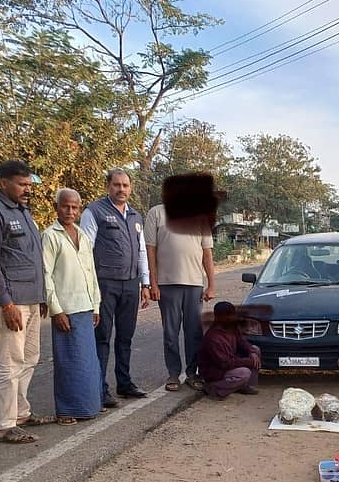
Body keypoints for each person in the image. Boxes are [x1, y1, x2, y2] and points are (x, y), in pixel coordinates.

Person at [0, 160, 54, 443]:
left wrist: (41, 296)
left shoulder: (23, 211)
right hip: (11, 302)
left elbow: (31, 257)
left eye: (29, 185)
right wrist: (6, 303)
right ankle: (5, 425)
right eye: (22, 184)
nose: (27, 190)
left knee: (30, 358)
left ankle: (21, 413)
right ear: (3, 182)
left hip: (31, 298)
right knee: (10, 362)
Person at [80, 169, 150, 408]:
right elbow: (85, 251)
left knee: (125, 337)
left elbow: (141, 251)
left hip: (130, 284)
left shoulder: (135, 216)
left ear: (130, 188)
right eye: (117, 185)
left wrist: (145, 283)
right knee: (102, 337)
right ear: (108, 186)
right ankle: (99, 389)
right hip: (104, 284)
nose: (121, 189)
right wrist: (90, 287)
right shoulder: (94, 212)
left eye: (125, 185)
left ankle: (124, 383)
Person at [42, 188, 103, 425]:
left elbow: (91, 272)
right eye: (65, 206)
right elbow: (46, 275)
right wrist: (56, 310)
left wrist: (95, 305)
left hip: (85, 307)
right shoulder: (50, 236)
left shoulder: (82, 235)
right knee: (68, 362)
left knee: (87, 362)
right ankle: (66, 410)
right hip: (66, 309)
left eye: (75, 207)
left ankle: (89, 406)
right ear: (56, 208)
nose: (70, 211)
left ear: (79, 209)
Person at [145, 203, 215, 392]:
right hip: (167, 285)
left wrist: (211, 285)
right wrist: (153, 283)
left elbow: (207, 254)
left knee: (194, 332)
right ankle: (173, 373)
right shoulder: (156, 213)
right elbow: (150, 251)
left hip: (194, 284)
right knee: (170, 333)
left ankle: (192, 373)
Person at [197, 302, 261, 399]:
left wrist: (251, 351)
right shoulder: (213, 337)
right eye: (229, 315)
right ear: (219, 317)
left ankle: (245, 386)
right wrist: (250, 361)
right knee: (244, 373)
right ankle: (214, 388)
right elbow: (225, 363)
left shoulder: (231, 327)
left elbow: (242, 342)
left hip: (229, 362)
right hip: (215, 372)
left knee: (255, 349)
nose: (233, 318)